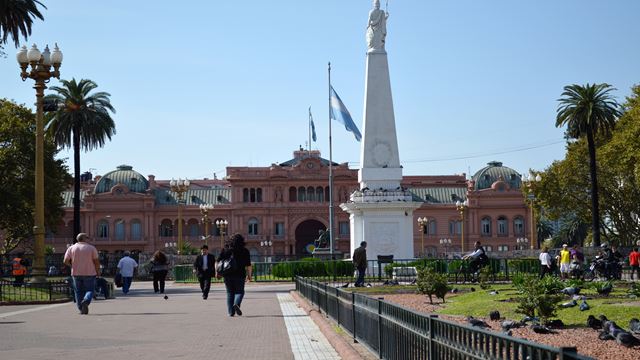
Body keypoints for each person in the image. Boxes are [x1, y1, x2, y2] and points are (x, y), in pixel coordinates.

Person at [63, 233, 100, 315]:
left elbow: (65, 261)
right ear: (85, 239)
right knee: (90, 290)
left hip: (76, 273)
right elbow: (96, 262)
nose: (89, 239)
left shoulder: (71, 248)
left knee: (78, 291)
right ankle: (86, 300)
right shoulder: (91, 248)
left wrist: (72, 265)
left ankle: (81, 308)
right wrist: (98, 271)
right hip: (90, 273)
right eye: (88, 237)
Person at [216, 233, 252, 316]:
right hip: (240, 275)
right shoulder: (245, 251)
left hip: (227, 275)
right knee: (240, 292)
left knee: (229, 293)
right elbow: (248, 265)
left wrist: (217, 272)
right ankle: (236, 303)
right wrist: (249, 275)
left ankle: (230, 312)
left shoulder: (225, 249)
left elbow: (217, 261)